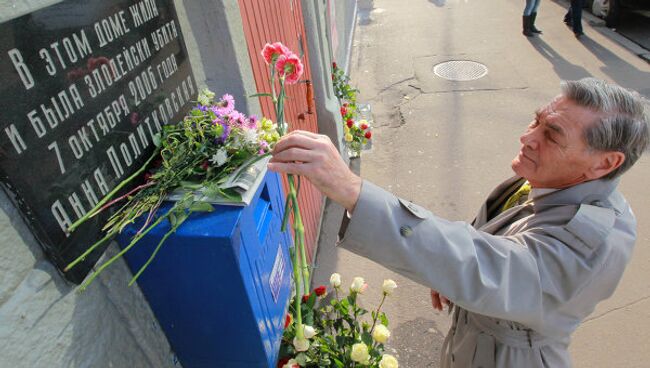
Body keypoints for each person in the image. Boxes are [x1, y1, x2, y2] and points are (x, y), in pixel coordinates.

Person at [268, 78, 649, 367]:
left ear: (605, 163)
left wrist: (353, 190)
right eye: (536, 120)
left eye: (552, 134)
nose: (528, 136)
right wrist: (450, 278)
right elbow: (491, 242)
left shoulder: (593, 237)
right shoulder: (553, 179)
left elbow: (490, 266)